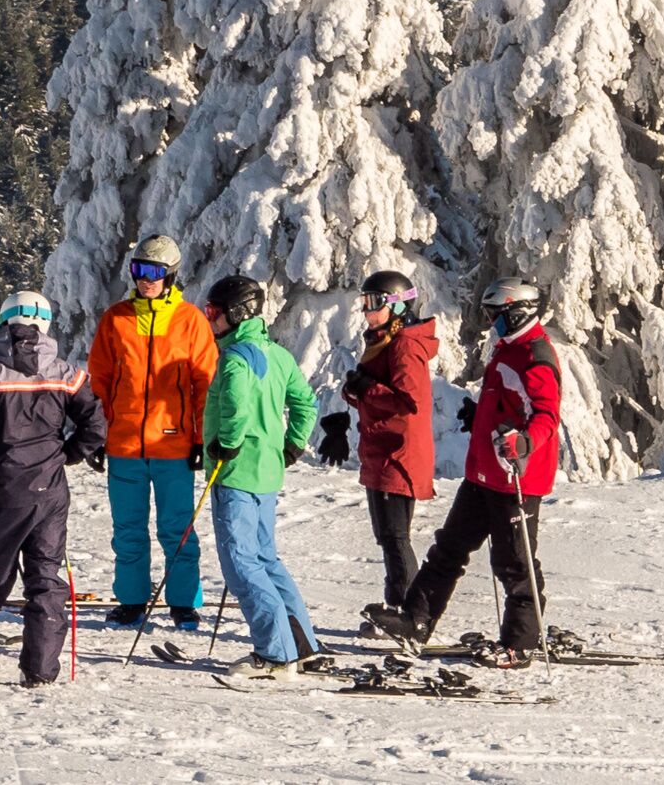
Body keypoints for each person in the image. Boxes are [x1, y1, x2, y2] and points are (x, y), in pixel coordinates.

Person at [368, 279, 561, 656]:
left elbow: (545, 415)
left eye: (496, 316)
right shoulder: (508, 350)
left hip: (514, 477)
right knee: (449, 549)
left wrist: (524, 441)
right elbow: (509, 402)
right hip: (483, 475)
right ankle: (416, 620)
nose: (491, 324)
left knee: (513, 562)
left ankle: (521, 639)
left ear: (517, 313)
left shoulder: (535, 355)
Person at [0, 291, 105, 687]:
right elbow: (96, 426)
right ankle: (40, 668)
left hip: (8, 487)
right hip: (51, 488)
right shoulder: (68, 373)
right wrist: (66, 455)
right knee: (45, 577)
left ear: (3, 322)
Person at [84, 234, 215, 629]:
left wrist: (199, 439)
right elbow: (99, 382)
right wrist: (97, 433)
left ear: (171, 275)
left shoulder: (190, 321)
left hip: (173, 445)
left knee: (177, 528)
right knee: (128, 529)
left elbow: (204, 385)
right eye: (139, 270)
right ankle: (132, 600)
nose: (146, 280)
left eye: (154, 272)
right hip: (124, 444)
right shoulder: (116, 318)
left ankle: (182, 602)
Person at [201, 276, 325, 679]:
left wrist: (228, 443)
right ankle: (303, 645)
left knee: (241, 564)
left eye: (215, 314)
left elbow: (235, 404)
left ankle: (275, 655)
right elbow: (306, 403)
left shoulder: (235, 357)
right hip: (268, 474)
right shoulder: (277, 355)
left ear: (238, 314)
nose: (210, 321)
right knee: (266, 560)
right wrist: (293, 444)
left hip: (236, 473)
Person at [338, 271, 439, 612]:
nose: (367, 311)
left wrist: (368, 389)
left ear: (397, 306)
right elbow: (382, 396)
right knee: (388, 536)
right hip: (382, 451)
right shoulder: (385, 341)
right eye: (364, 302)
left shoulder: (405, 346)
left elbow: (409, 403)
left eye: (374, 303)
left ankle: (408, 611)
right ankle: (398, 605)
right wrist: (357, 391)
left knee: (395, 536)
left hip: (397, 453)